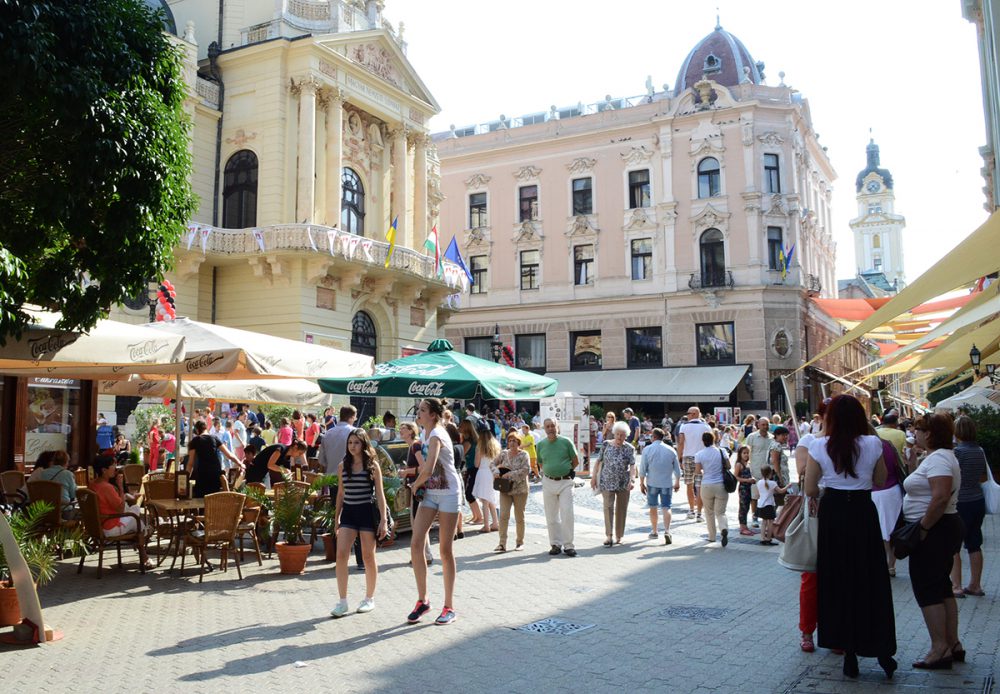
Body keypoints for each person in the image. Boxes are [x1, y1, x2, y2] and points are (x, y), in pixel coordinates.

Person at [805, 394, 896, 680]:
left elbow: (809, 489)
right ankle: (880, 648)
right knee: (869, 578)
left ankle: (848, 651)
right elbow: (880, 480)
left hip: (833, 513)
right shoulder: (873, 443)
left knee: (837, 580)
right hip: (861, 511)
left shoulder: (819, 445)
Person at [904, 414, 965, 669]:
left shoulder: (939, 458)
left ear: (928, 433)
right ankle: (952, 643)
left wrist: (923, 528)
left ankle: (939, 647)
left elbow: (940, 497)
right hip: (944, 527)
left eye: (917, 430)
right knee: (941, 587)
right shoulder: (941, 456)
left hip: (935, 530)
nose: (914, 434)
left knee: (928, 588)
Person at [407, 397, 462, 626]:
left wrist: (414, 485)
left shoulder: (437, 434)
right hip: (431, 493)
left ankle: (449, 606)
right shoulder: (425, 435)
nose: (418, 413)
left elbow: (428, 469)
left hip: (448, 493)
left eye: (422, 410)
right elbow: (426, 467)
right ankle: (423, 600)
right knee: (416, 544)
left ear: (432, 414)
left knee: (445, 550)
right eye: (418, 409)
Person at [329, 428, 388, 618]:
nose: (352, 446)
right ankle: (342, 601)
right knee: (341, 555)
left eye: (356, 442)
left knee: (368, 556)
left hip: (366, 512)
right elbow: (340, 493)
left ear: (363, 444)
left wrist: (384, 520)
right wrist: (336, 517)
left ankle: (369, 598)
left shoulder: (372, 466)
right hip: (348, 513)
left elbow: (380, 494)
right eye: (350, 443)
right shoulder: (342, 466)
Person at [794, 397, 827, 654]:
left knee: (838, 576)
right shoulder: (809, 442)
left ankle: (835, 631)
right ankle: (807, 631)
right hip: (816, 510)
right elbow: (804, 475)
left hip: (841, 510)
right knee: (811, 575)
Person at [951, 415, 988, 598]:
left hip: (961, 501)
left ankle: (956, 585)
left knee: (954, 544)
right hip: (977, 499)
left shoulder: (958, 452)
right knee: (974, 543)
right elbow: (983, 476)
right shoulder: (980, 450)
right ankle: (975, 584)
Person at [90, 455, 150, 566]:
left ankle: (141, 546)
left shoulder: (93, 485)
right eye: (112, 465)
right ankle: (143, 552)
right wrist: (120, 487)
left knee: (135, 511)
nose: (115, 468)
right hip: (110, 527)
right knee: (137, 520)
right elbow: (121, 509)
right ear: (104, 470)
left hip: (98, 526)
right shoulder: (106, 487)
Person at [536, 418, 580, 557]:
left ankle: (568, 545)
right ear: (544, 428)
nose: (550, 428)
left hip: (565, 481)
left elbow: (575, 460)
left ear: (557, 427)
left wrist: (566, 470)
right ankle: (555, 544)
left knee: (567, 512)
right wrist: (551, 471)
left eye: (553, 426)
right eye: (547, 426)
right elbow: (541, 463)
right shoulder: (541, 445)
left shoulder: (566, 442)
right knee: (551, 515)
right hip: (548, 482)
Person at [590, 421, 635, 547]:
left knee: (621, 509)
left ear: (626, 436)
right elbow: (598, 461)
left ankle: (619, 536)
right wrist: (593, 477)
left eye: (623, 435)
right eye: (618, 434)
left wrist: (632, 479)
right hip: (607, 481)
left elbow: (632, 465)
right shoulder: (606, 445)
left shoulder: (629, 448)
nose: (620, 437)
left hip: (623, 483)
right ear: (614, 434)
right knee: (608, 507)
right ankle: (609, 536)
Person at [638, 428, 681, 544]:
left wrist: (641, 482)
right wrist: (677, 481)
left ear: (654, 437)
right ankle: (667, 531)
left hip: (652, 482)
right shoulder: (671, 450)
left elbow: (642, 468)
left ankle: (655, 530)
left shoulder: (647, 450)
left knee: (653, 507)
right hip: (666, 483)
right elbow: (677, 469)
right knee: (666, 507)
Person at [871, 431, 905, 577]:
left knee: (883, 530)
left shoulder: (869, 446)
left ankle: (885, 565)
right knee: (891, 529)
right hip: (894, 490)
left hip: (877, 491)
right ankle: (891, 565)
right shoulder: (887, 444)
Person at [400, 422, 434, 564]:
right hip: (416, 486)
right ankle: (426, 554)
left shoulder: (415, 445)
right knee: (419, 523)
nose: (400, 430)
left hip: (418, 487)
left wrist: (405, 471)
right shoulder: (413, 446)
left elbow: (423, 467)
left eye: (404, 429)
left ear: (411, 431)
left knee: (417, 523)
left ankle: (422, 555)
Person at [491, 430, 531, 552]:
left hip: (520, 489)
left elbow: (526, 470)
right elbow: (492, 463)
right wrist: (496, 471)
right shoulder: (503, 454)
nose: (512, 443)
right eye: (509, 441)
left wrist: (510, 474)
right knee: (503, 516)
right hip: (505, 489)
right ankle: (502, 543)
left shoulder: (524, 455)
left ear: (519, 442)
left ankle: (520, 542)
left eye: (514, 441)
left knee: (519, 517)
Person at [186, 420, 242, 497]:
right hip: (215, 474)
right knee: (214, 500)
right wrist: (240, 463)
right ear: (206, 428)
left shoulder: (195, 440)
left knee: (200, 499)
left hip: (202, 474)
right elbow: (229, 455)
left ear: (197, 430)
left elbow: (190, 463)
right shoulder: (214, 438)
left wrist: (185, 478)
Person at [694, 431, 731, 546]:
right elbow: (729, 466)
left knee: (709, 512)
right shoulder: (722, 451)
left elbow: (697, 472)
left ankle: (712, 536)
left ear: (703, 441)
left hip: (706, 484)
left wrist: (705, 470)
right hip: (721, 484)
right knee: (721, 512)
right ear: (714, 439)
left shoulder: (699, 454)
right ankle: (723, 528)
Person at [677, 407, 712, 521]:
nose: (687, 415)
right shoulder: (706, 426)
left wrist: (679, 457)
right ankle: (699, 513)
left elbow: (681, 442)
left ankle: (691, 510)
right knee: (700, 486)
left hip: (688, 457)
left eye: (688, 413)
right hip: (702, 457)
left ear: (693, 414)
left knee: (689, 484)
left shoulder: (684, 426)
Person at [746, 418, 777, 527]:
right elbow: (746, 452)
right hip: (755, 471)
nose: (765, 427)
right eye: (763, 424)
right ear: (758, 425)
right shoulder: (752, 437)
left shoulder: (772, 438)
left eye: (767, 425)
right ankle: (754, 516)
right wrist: (746, 466)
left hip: (769, 472)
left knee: (768, 495)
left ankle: (767, 517)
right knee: (755, 496)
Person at [473, 419, 501, 532]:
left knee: (485, 501)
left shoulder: (479, 447)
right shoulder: (496, 445)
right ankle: (495, 523)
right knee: (491, 500)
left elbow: (476, 464)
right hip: (493, 473)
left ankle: (486, 525)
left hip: (483, 472)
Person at [319, 406, 356, 476]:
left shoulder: (327, 434)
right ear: (352, 417)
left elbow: (321, 460)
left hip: (330, 478)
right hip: (350, 479)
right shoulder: (355, 432)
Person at [458, 419, 483, 525]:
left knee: (469, 494)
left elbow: (461, 454)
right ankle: (476, 516)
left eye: (460, 426)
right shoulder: (474, 440)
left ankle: (479, 517)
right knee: (470, 493)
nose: (458, 428)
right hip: (474, 469)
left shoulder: (467, 442)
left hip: (472, 469)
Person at [755, 465, 785, 545]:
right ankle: (768, 538)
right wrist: (788, 486)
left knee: (764, 522)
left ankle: (762, 538)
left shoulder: (759, 482)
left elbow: (758, 494)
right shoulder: (773, 483)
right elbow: (781, 491)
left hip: (761, 505)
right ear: (770, 473)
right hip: (769, 505)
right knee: (770, 522)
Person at [733, 445, 756, 536]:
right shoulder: (739, 464)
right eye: (744, 453)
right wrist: (747, 480)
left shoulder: (748, 463)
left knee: (747, 507)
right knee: (743, 507)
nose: (746, 455)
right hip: (743, 488)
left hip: (749, 487)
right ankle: (742, 527)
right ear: (740, 454)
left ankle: (745, 526)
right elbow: (736, 476)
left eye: (747, 453)